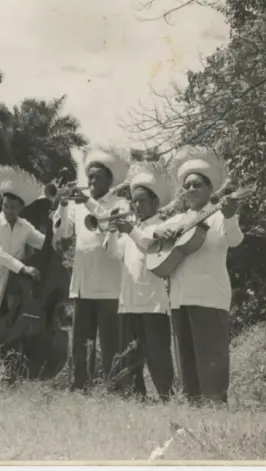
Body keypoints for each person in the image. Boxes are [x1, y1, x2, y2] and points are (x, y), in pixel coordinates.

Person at [153, 146, 243, 405]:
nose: (191, 189)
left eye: (197, 185)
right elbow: (149, 235)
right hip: (180, 298)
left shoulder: (220, 216)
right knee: (187, 360)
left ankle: (216, 406)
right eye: (187, 185)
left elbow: (235, 240)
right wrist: (160, 233)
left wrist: (230, 217)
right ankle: (193, 407)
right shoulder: (179, 219)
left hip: (209, 297)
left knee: (211, 358)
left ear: (210, 189)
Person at [53, 146, 130, 392]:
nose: (92, 182)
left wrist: (86, 201)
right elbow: (62, 233)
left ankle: (113, 387)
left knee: (110, 342)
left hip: (109, 286)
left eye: (97, 178)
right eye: (90, 178)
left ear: (109, 180)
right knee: (80, 342)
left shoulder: (120, 203)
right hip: (83, 283)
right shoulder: (77, 208)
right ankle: (79, 386)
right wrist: (63, 205)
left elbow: (111, 222)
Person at [103, 160, 175, 401]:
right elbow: (113, 253)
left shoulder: (162, 226)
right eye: (134, 201)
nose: (136, 205)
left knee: (158, 355)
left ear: (155, 203)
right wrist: (111, 231)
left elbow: (148, 244)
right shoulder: (131, 229)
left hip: (153, 303)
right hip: (129, 301)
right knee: (130, 355)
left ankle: (167, 396)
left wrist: (129, 230)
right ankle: (136, 397)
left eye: (142, 200)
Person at [0, 166, 47, 385]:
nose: (9, 210)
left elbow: (45, 243)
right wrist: (23, 268)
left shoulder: (25, 227)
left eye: (14, 207)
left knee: (10, 334)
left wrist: (58, 221)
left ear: (21, 208)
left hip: (13, 290)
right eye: (6, 206)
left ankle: (8, 377)